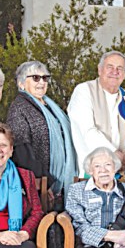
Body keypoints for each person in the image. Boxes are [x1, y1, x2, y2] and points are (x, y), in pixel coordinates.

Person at [68, 51, 125, 178]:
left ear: (124, 74)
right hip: (92, 172)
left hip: (122, 173)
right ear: (100, 70)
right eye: (110, 67)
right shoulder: (84, 91)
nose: (115, 72)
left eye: (120, 68)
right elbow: (87, 131)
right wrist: (114, 155)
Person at [6, 60, 77, 198]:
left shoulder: (50, 106)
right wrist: (46, 181)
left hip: (64, 179)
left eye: (45, 78)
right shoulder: (19, 108)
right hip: (44, 184)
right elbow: (22, 153)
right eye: (35, 78)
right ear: (21, 83)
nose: (42, 82)